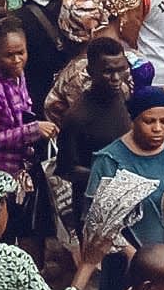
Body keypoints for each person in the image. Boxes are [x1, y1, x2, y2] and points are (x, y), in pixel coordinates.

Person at [82, 84, 164, 254]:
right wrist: (135, 259)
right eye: (149, 121)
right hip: (134, 265)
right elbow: (97, 225)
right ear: (133, 120)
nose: (157, 128)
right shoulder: (109, 161)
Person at [0, 13, 56, 199]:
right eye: (9, 55)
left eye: (21, 53)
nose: (17, 60)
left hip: (19, 177)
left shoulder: (18, 76)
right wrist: (33, 130)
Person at [56, 37, 139, 223]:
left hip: (127, 202)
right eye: (108, 72)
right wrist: (105, 174)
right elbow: (66, 169)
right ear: (90, 71)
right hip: (93, 209)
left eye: (121, 69)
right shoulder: (77, 117)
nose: (116, 78)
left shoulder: (123, 96)